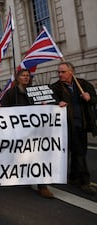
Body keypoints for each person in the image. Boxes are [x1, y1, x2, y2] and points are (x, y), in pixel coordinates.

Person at [0, 69, 54, 198]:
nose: (26, 78)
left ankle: (42, 186)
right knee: (24, 157)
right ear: (18, 78)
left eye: (27, 76)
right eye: (23, 76)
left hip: (35, 131)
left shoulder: (35, 91)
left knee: (38, 157)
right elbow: (3, 109)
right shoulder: (11, 93)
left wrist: (49, 105)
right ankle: (27, 178)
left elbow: (48, 104)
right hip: (19, 132)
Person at [50, 61, 97, 195]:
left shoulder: (83, 84)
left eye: (63, 72)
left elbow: (94, 99)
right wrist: (57, 103)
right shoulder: (55, 87)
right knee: (79, 152)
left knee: (80, 151)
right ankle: (85, 182)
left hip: (83, 124)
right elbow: (49, 102)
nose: (60, 74)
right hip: (67, 126)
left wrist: (89, 98)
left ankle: (73, 177)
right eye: (58, 72)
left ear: (71, 72)